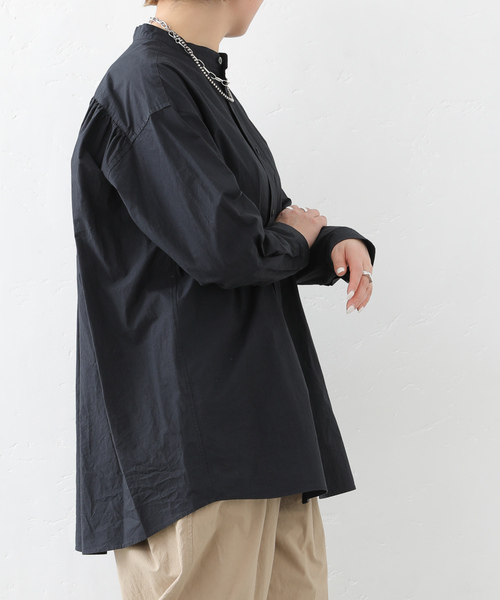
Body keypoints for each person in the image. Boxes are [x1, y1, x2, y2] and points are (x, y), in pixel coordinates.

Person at [70, 0, 376, 598]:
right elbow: (228, 248)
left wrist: (329, 243)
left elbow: (258, 225)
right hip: (198, 442)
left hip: (259, 428)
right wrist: (294, 236)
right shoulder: (148, 85)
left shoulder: (195, 76)